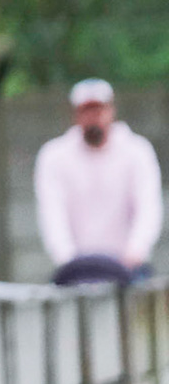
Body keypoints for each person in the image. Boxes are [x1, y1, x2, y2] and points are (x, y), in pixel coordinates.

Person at [36, 78, 161, 284]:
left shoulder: (137, 151)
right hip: (75, 273)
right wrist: (68, 261)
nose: (94, 117)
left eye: (99, 109)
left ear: (111, 110)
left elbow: (148, 209)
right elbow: (52, 215)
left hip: (129, 271)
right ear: (75, 114)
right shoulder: (54, 157)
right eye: (87, 110)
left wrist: (134, 253)